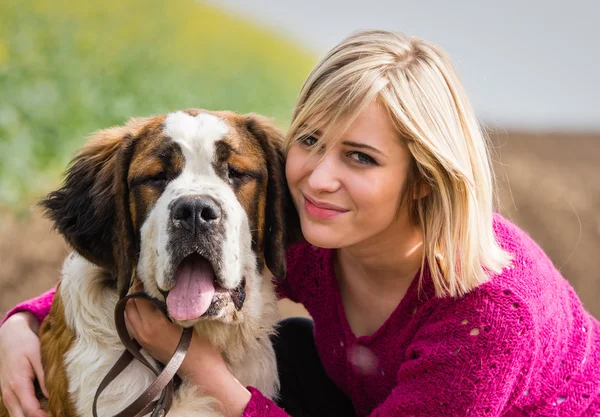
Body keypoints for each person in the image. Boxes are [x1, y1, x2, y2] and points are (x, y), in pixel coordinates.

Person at [1, 30, 599, 417]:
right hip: (382, 398)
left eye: (360, 157)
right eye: (311, 140)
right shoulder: (319, 234)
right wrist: (25, 321)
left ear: (423, 178)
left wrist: (213, 379)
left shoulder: (489, 320)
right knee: (290, 347)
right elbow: (158, 254)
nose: (316, 178)